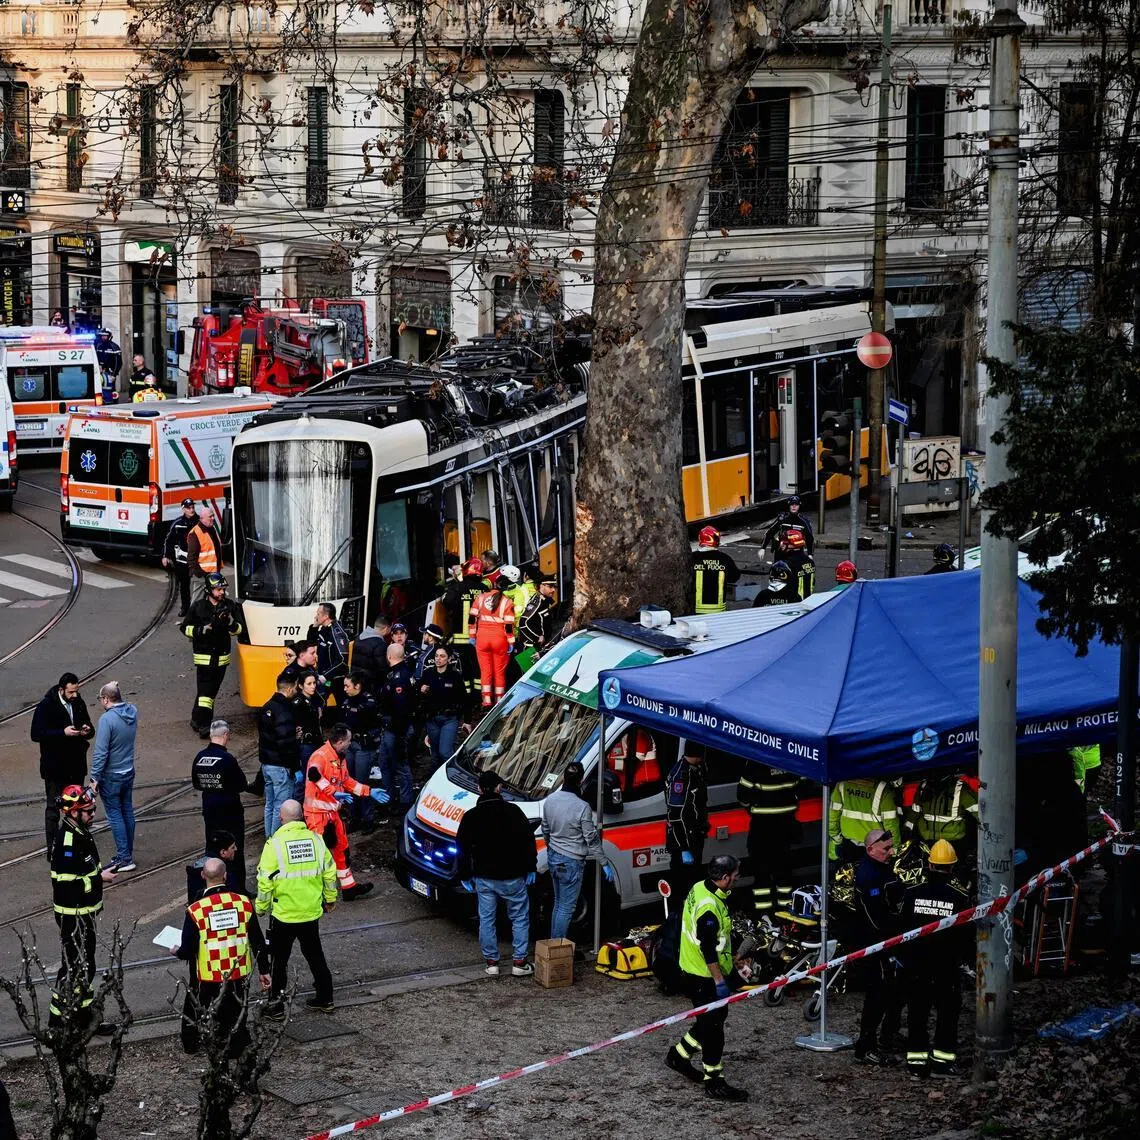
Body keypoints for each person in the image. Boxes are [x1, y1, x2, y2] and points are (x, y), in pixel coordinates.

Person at [665, 853, 749, 1101]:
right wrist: (719, 981)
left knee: (712, 1018)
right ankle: (714, 1081)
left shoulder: (700, 887)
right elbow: (708, 949)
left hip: (693, 967)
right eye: (735, 876)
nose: (737, 879)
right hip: (703, 975)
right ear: (724, 878)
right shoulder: (709, 908)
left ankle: (678, 1055)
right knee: (713, 1027)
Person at [173, 857, 271, 1057]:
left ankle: (204, 1047)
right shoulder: (243, 903)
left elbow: (188, 950)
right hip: (239, 972)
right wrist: (264, 970)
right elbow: (257, 941)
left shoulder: (196, 910)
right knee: (237, 1013)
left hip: (209, 975)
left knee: (206, 1012)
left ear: (203, 876)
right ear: (225, 876)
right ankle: (236, 1048)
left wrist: (176, 951)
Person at [255, 800, 338, 1018]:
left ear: (281, 818)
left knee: (279, 962)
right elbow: (329, 872)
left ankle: (276, 1007)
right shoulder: (316, 840)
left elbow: (265, 881)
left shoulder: (274, 845)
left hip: (284, 915)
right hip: (310, 912)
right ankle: (326, 998)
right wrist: (330, 899)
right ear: (301, 816)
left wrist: (261, 907)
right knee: (315, 956)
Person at [898, 839, 971, 1077]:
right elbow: (964, 935)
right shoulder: (959, 898)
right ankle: (942, 1063)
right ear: (952, 867)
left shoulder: (912, 894)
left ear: (929, 865)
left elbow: (902, 929)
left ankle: (916, 1064)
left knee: (917, 1014)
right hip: (946, 966)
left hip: (916, 966)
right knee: (947, 1015)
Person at [456, 770, 537, 977]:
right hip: (513, 876)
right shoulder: (514, 811)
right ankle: (519, 962)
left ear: (479, 789)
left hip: (484, 878)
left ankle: (492, 963)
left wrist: (465, 875)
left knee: (487, 919)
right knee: (519, 918)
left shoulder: (471, 816)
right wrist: (531, 867)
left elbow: (462, 848)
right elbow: (528, 841)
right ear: (499, 788)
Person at [49, 786, 116, 1031]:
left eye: (93, 809)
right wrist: (100, 878)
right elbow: (66, 884)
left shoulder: (79, 831)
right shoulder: (68, 841)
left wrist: (97, 875)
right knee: (73, 967)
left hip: (83, 913)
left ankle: (84, 1018)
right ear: (74, 813)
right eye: (89, 811)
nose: (93, 814)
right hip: (73, 915)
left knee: (85, 966)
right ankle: (58, 1022)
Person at [304, 724, 388, 899]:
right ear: (340, 742)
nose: (350, 743)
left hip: (332, 814)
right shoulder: (321, 756)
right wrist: (333, 792)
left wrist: (369, 791)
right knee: (319, 855)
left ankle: (349, 888)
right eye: (349, 741)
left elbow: (347, 782)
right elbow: (313, 774)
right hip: (317, 815)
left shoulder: (339, 758)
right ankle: (315, 894)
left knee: (342, 850)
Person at [540, 761, 613, 940]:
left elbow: (545, 829)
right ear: (581, 781)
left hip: (554, 857)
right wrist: (604, 862)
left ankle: (553, 944)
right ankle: (557, 946)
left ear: (564, 778)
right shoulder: (582, 807)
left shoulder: (550, 800)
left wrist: (551, 847)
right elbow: (591, 838)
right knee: (566, 907)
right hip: (571, 861)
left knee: (558, 904)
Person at [852, 829, 904, 1064]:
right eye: (886, 849)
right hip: (877, 946)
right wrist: (889, 940)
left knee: (896, 992)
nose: (891, 852)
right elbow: (874, 918)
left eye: (891, 847)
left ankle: (888, 1036)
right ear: (870, 849)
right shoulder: (868, 876)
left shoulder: (881, 869)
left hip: (891, 941)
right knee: (878, 995)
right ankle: (866, 1047)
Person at [31, 673, 94, 853]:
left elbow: (89, 726)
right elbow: (36, 734)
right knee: (53, 807)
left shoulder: (78, 702)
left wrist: (87, 729)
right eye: (71, 692)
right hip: (55, 767)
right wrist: (62, 733)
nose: (75, 695)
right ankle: (52, 847)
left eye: (76, 691)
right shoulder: (46, 706)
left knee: (78, 806)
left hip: (76, 764)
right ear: (61, 690)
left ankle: (78, 841)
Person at [182, 572, 243, 737]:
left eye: (223, 589)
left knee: (209, 692)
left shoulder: (230, 606)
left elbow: (239, 629)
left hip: (222, 658)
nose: (222, 592)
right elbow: (185, 628)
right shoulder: (199, 607)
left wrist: (230, 623)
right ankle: (204, 725)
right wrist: (201, 630)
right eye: (218, 589)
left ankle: (196, 719)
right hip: (204, 657)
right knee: (206, 694)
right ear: (209, 590)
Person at [736, 762, 799, 919]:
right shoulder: (790, 757)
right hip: (786, 825)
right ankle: (785, 913)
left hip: (761, 827)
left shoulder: (755, 762)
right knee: (784, 871)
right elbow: (803, 786)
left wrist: (754, 807)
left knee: (761, 872)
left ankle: (763, 914)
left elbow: (742, 796)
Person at [191, 720, 249, 887]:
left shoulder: (200, 757)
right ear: (226, 735)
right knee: (234, 849)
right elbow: (242, 784)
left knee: (212, 848)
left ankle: (213, 883)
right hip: (230, 812)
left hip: (210, 809)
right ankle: (238, 888)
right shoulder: (227, 759)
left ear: (210, 735)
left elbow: (196, 783)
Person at [89, 681, 138, 873]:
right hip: (128, 771)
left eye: (100, 698)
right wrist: (113, 688)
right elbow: (121, 700)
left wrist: (94, 778)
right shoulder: (132, 711)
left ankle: (124, 858)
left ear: (105, 699)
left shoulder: (107, 720)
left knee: (115, 815)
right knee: (127, 811)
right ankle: (127, 854)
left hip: (111, 775)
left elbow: (101, 752)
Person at [258, 671, 300, 838]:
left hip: (266, 764)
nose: (296, 690)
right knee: (280, 806)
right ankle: (276, 839)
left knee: (269, 804)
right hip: (280, 766)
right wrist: (294, 767)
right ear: (289, 689)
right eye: (295, 687)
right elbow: (284, 742)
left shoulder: (267, 706)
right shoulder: (284, 710)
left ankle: (269, 838)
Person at [665, 743, 708, 897]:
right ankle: (680, 910)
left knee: (694, 880)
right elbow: (676, 816)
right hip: (682, 840)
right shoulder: (681, 776)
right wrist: (684, 848)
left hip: (693, 836)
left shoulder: (696, 769)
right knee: (681, 884)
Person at [340, 670, 381, 832]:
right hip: (351, 746)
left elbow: (370, 721)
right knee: (349, 781)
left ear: (357, 686)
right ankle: (354, 817)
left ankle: (367, 819)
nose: (344, 689)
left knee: (362, 783)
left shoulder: (368, 703)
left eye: (347, 686)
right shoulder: (346, 702)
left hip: (364, 747)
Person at [377, 643, 417, 809]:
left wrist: (399, 733)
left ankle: (405, 801)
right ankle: (389, 798)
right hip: (392, 727)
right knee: (385, 763)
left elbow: (401, 707)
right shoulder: (399, 673)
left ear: (389, 657)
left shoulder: (399, 677)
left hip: (397, 728)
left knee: (400, 765)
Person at [905, 771, 979, 857]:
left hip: (951, 842)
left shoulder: (959, 788)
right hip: (930, 841)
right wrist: (907, 832)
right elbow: (915, 811)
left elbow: (978, 811)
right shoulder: (924, 786)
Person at [469, 576, 516, 708]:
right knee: (499, 672)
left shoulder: (480, 598)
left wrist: (472, 636)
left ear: (494, 584)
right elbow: (508, 626)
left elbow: (472, 618)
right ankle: (499, 701)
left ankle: (487, 701)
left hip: (482, 639)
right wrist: (511, 642)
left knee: (485, 671)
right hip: (500, 640)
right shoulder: (507, 602)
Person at [829, 777, 902, 861]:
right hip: (875, 848)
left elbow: (833, 816)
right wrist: (895, 848)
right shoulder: (883, 789)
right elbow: (891, 824)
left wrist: (836, 839)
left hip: (848, 844)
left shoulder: (841, 784)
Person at [420, 646, 466, 770]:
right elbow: (418, 693)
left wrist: (466, 719)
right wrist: (421, 689)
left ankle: (453, 773)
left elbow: (464, 698)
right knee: (435, 754)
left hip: (449, 719)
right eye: (436, 656)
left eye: (442, 656)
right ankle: (435, 777)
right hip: (432, 719)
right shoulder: (428, 673)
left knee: (445, 752)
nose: (438, 659)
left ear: (449, 659)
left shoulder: (455, 676)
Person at [691, 526, 740, 615]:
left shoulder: (692, 557)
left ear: (701, 539)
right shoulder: (725, 559)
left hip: (695, 608)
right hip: (718, 609)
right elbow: (734, 578)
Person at [162, 499, 199, 617]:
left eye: (192, 507)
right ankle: (185, 608)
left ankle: (200, 609)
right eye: (188, 508)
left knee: (201, 585)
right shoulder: (177, 523)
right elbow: (169, 540)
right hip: (183, 559)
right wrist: (166, 556)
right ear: (183, 509)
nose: (191, 510)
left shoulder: (199, 522)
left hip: (198, 559)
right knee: (184, 585)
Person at [309, 602, 350, 706]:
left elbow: (342, 661)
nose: (316, 616)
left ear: (326, 616)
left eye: (318, 614)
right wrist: (314, 626)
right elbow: (310, 643)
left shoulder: (337, 633)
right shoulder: (324, 629)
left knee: (343, 706)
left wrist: (325, 676)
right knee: (318, 704)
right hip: (324, 678)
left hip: (336, 679)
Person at [515, 574, 558, 672]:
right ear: (541, 586)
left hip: (541, 646)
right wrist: (538, 636)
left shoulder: (545, 600)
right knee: (529, 675)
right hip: (531, 647)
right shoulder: (537, 602)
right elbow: (523, 622)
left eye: (554, 587)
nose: (553, 590)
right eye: (550, 586)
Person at [292, 670, 325, 772]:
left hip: (317, 740)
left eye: (314, 683)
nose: (313, 686)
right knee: (308, 772)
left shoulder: (315, 699)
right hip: (306, 743)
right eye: (309, 684)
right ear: (301, 686)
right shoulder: (298, 702)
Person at [352, 615, 392, 688]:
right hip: (370, 684)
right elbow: (382, 668)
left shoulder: (358, 638)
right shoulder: (380, 644)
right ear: (386, 628)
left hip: (355, 682)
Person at [778, 528, 815, 601]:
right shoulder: (810, 561)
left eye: (785, 542)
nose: (782, 545)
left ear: (792, 545)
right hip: (808, 601)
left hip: (793, 603)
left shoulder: (787, 564)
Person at [186, 507, 223, 580]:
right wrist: (201, 574)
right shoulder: (195, 533)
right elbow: (191, 558)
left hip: (214, 573)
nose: (213, 518)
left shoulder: (212, 529)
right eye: (210, 516)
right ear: (202, 518)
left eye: (213, 516)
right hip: (202, 577)